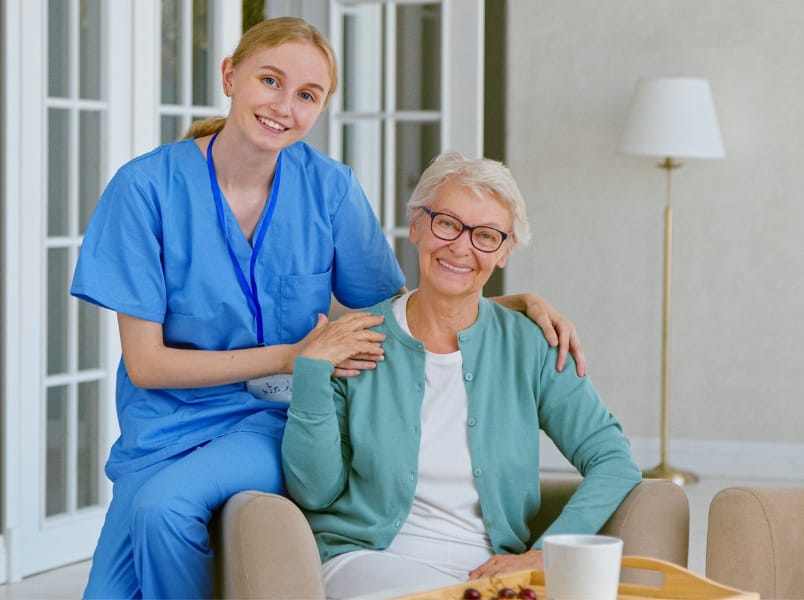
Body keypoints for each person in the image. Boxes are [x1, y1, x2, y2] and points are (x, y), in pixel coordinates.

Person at [71, 17, 585, 599]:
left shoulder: (330, 188)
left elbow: (396, 309)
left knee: (165, 508)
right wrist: (294, 355)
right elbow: (148, 366)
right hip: (161, 425)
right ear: (230, 75)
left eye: (307, 95)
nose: (284, 105)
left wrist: (506, 302)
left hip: (274, 421)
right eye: (270, 80)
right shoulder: (143, 190)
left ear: (319, 108)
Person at [281, 151, 642, 600]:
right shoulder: (355, 339)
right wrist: (312, 374)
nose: (461, 247)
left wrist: (545, 553)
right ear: (416, 225)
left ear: (505, 251)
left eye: (486, 235)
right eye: (447, 223)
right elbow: (314, 492)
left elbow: (612, 459)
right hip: (368, 560)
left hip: (489, 572)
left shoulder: (530, 344)